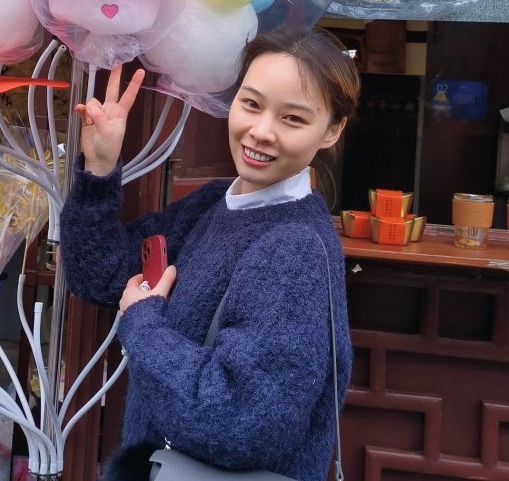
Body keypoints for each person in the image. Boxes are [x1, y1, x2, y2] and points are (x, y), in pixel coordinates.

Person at [59, 26, 361, 481]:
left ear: (332, 131)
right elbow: (99, 275)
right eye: (251, 104)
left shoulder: (293, 251)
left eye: (292, 119)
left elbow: (240, 422)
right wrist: (100, 169)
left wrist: (142, 324)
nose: (261, 132)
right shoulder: (215, 203)